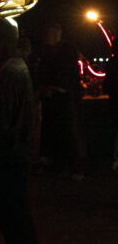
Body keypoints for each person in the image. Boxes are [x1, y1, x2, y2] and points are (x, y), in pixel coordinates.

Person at [0, 18, 38, 243]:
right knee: (15, 217)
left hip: (7, 157)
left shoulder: (9, 71)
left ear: (1, 40)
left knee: (14, 219)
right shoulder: (11, 66)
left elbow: (2, 119)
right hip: (11, 154)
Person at [36, 23, 85, 176]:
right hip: (54, 98)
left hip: (63, 98)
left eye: (48, 34)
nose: (45, 37)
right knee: (55, 130)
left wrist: (55, 87)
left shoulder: (65, 51)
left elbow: (68, 74)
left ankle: (71, 164)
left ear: (56, 34)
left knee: (67, 131)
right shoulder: (49, 51)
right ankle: (58, 162)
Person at [103, 38, 118, 171]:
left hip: (114, 100)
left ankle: (115, 159)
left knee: (115, 130)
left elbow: (106, 85)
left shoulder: (112, 63)